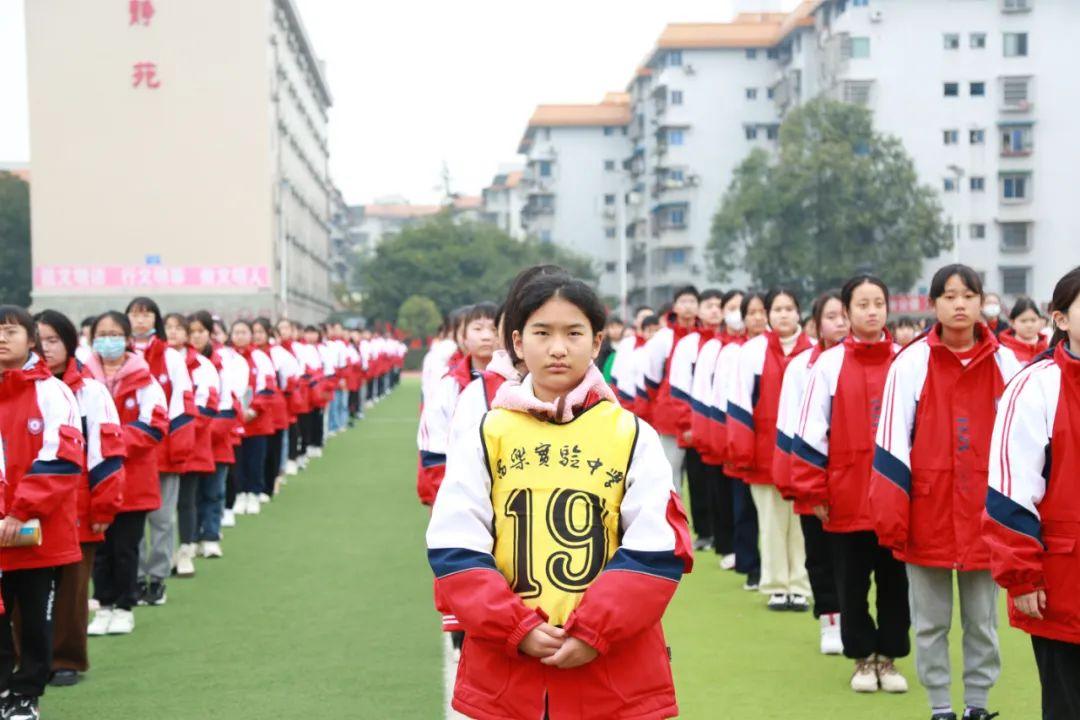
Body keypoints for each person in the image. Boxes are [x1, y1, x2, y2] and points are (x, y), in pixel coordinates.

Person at [426, 274, 692, 719]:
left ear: (597, 342)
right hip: (507, 671)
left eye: (573, 333)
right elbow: (456, 546)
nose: (557, 348)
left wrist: (595, 632)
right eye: (542, 332)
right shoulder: (486, 430)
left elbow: (657, 548)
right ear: (516, 341)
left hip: (613, 670)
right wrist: (516, 628)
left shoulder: (630, 434)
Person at [871, 264, 1021, 720]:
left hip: (984, 516)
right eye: (950, 296)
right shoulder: (910, 363)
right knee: (931, 623)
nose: (960, 304)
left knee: (983, 621)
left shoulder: (1006, 363)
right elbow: (891, 445)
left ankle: (978, 705)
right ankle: (940, 706)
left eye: (968, 295)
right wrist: (893, 519)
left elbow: (1020, 447)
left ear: (982, 303)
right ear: (933, 304)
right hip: (927, 514)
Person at [791, 277, 911, 691]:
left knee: (896, 581)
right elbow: (810, 430)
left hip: (897, 495)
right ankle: (862, 659)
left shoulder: (906, 360)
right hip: (846, 493)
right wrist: (812, 489)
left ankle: (888, 658)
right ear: (847, 311)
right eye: (863, 304)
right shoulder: (827, 364)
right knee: (852, 581)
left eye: (879, 302)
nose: (872, 311)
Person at [982, 267, 1080, 720]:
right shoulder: (1034, 385)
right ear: (1059, 319)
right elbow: (1011, 490)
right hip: (1064, 575)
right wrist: (1021, 574)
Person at [0, 306, 84, 720]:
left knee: (34, 619)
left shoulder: (52, 391)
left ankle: (25, 695)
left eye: (10, 331)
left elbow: (62, 459)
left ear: (31, 340)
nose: (1, 338)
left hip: (36, 532)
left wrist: (19, 512)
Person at [34, 310, 125, 686]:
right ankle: (28, 659)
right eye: (39, 340)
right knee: (28, 588)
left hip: (78, 506)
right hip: (29, 506)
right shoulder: (19, 389)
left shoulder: (90, 390)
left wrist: (104, 504)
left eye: (54, 340)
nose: (46, 348)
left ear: (71, 343)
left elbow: (106, 450)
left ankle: (67, 658)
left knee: (72, 587)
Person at [728, 288, 813, 611]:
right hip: (764, 453)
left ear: (799, 312)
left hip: (804, 455)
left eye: (789, 308)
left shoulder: (814, 353)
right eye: (776, 309)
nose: (783, 315)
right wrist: (743, 452)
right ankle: (777, 585)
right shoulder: (751, 351)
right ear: (767, 314)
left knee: (801, 526)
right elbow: (738, 406)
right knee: (772, 523)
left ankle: (800, 586)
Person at [773, 291, 847, 652]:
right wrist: (795, 480)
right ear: (817, 323)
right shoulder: (802, 365)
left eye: (844, 315)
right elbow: (788, 425)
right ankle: (829, 620)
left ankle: (854, 617)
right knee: (818, 551)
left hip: (855, 475)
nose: (840, 322)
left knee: (854, 556)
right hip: (814, 471)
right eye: (831, 316)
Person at [84, 312, 167, 621]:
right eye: (101, 333)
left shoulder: (146, 380)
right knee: (100, 546)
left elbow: (155, 427)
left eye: (115, 333)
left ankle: (125, 605)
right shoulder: (82, 378)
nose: (108, 339)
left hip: (134, 477)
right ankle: (103, 603)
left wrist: (109, 439)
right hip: (95, 477)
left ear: (128, 339)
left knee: (125, 545)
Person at [127, 297, 193, 608]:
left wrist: (179, 447)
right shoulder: (119, 356)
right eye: (135, 314)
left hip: (163, 450)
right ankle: (136, 577)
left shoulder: (169, 356)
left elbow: (181, 401)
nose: (140, 320)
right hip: (129, 452)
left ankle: (157, 577)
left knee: (163, 518)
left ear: (156, 318)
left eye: (146, 314)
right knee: (132, 518)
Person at [416, 302, 497, 506]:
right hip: (460, 495)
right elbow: (433, 450)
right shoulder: (449, 386)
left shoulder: (520, 383)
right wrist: (444, 500)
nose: (487, 336)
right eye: (478, 329)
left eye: (494, 329)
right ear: (462, 338)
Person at [717, 292, 767, 589]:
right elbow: (724, 397)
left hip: (771, 440)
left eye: (763, 312)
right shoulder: (734, 352)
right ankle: (750, 565)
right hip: (741, 434)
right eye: (752, 313)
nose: (758, 318)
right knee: (745, 505)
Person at [640, 286, 700, 481]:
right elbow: (651, 379)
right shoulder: (663, 337)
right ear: (675, 307)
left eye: (692, 301)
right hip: (671, 413)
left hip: (701, 415)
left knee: (700, 475)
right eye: (683, 302)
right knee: (670, 471)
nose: (688, 307)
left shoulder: (706, 336)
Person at [682, 290, 724, 550]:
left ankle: (721, 535)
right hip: (696, 421)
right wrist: (688, 424)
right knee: (698, 479)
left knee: (719, 482)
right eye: (709, 305)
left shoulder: (730, 343)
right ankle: (704, 532)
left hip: (721, 423)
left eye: (719, 306)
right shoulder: (689, 344)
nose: (715, 310)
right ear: (699, 310)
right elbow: (681, 387)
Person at [189, 311, 231, 557]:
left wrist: (206, 432)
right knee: (191, 495)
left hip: (215, 438)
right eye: (191, 332)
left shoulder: (223, 364)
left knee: (214, 491)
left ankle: (211, 535)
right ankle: (191, 537)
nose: (196, 337)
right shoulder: (179, 363)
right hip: (190, 440)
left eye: (201, 331)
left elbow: (229, 404)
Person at [229, 320, 276, 516]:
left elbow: (268, 387)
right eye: (236, 332)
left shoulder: (260, 357)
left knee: (255, 458)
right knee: (237, 461)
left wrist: (253, 410)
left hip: (256, 419)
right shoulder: (226, 357)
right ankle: (239, 494)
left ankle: (254, 493)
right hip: (233, 419)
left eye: (244, 332)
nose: (240, 336)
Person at [998, 297, 1048, 363]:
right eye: (1023, 321)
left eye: (1033, 320)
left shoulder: (1048, 348)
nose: (1029, 325)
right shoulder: (1002, 349)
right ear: (1012, 322)